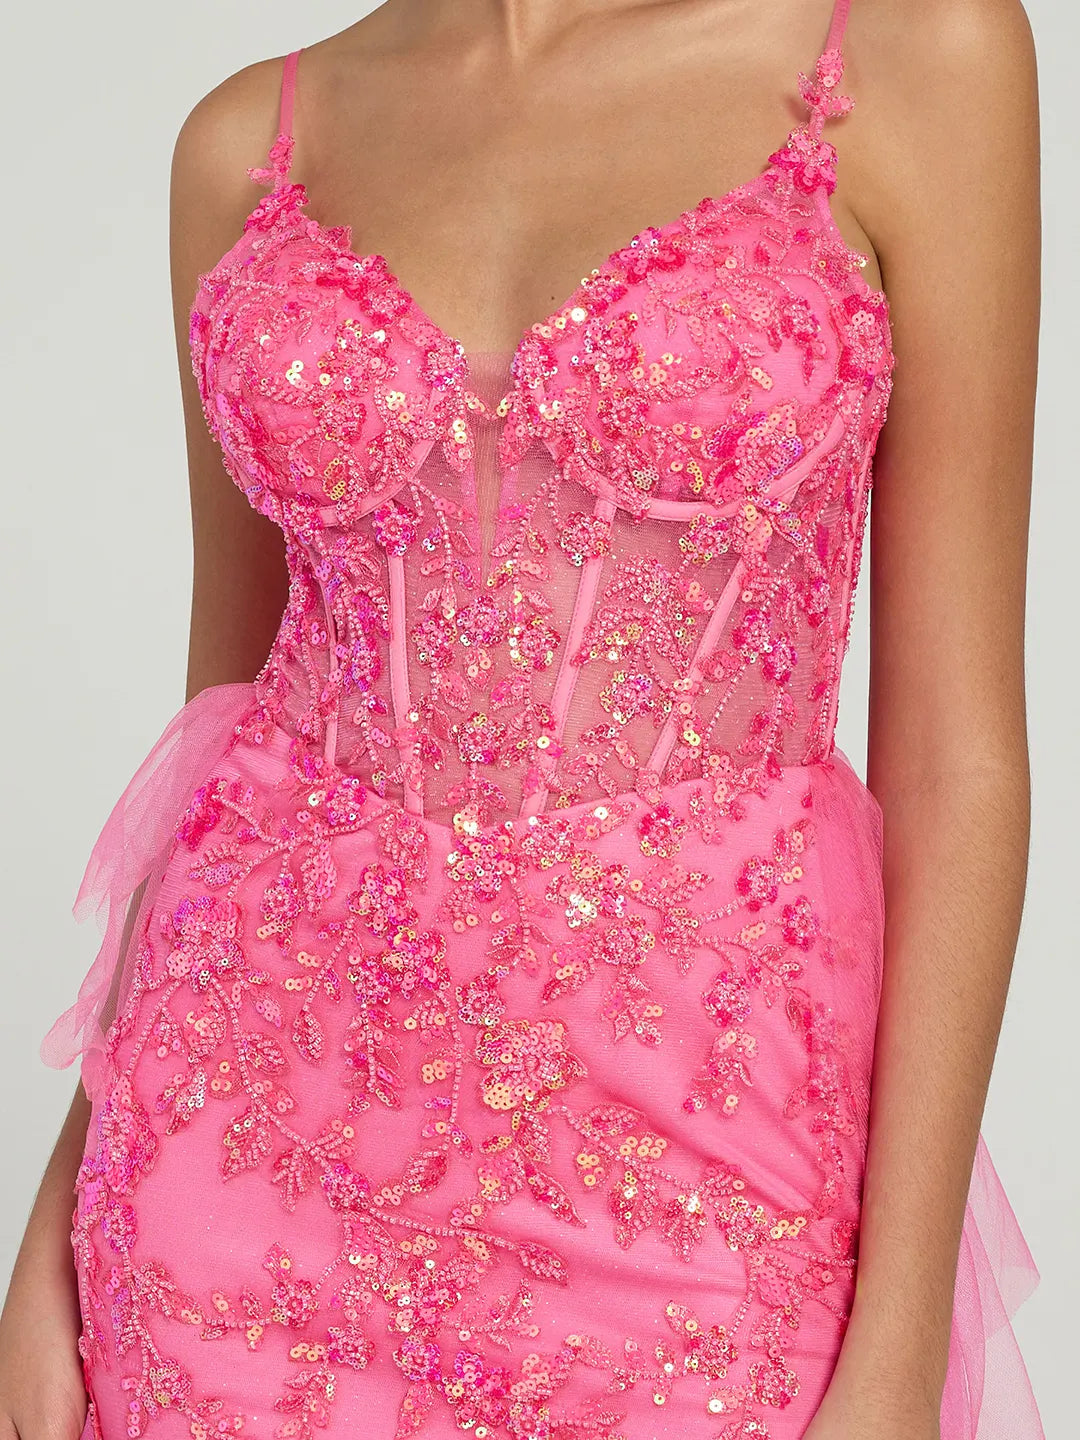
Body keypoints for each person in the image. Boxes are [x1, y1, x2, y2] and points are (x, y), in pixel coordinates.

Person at [0, 1, 1045, 1437]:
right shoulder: (251, 139)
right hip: (231, 1176)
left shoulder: (911, 54)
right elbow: (230, 728)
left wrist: (902, 1338)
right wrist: (61, 1203)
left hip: (701, 1179)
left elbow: (956, 757)